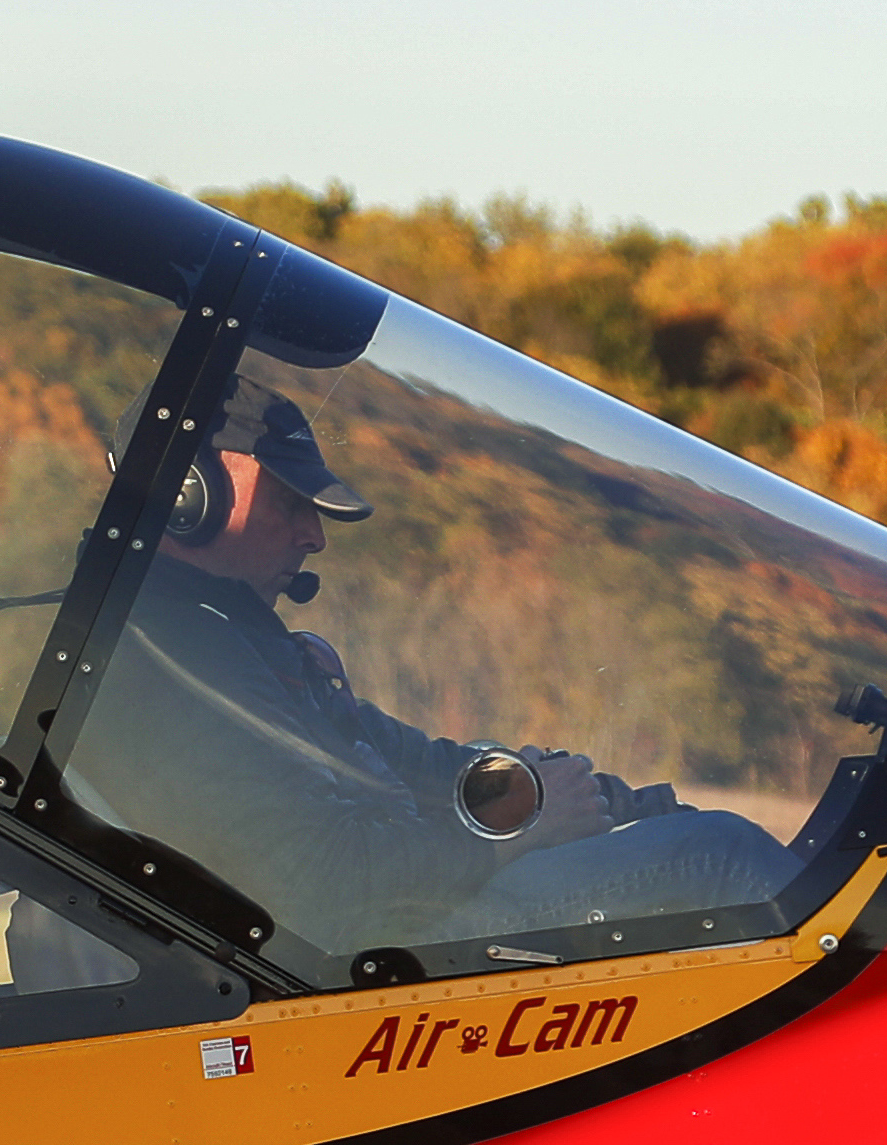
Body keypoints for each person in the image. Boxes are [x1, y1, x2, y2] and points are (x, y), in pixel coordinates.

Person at [66, 390, 795, 956]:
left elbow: (429, 765)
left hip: (399, 918)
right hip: (358, 959)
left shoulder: (236, 642)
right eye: (289, 502)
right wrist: (514, 830)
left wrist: (624, 807)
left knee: (645, 817)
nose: (314, 536)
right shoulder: (156, 661)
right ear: (185, 495)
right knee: (719, 858)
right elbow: (317, 884)